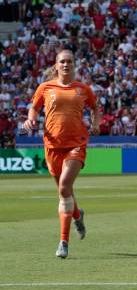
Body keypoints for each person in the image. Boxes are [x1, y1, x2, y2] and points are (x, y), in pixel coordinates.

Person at [23, 50, 100, 258]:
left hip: (76, 143)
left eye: (70, 61)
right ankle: (77, 214)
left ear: (74, 65)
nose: (66, 64)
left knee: (65, 187)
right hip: (52, 145)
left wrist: (95, 124)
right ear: (56, 66)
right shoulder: (45, 88)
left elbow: (95, 108)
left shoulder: (83, 89)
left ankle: (63, 242)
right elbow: (34, 108)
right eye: (62, 61)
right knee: (65, 192)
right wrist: (31, 119)